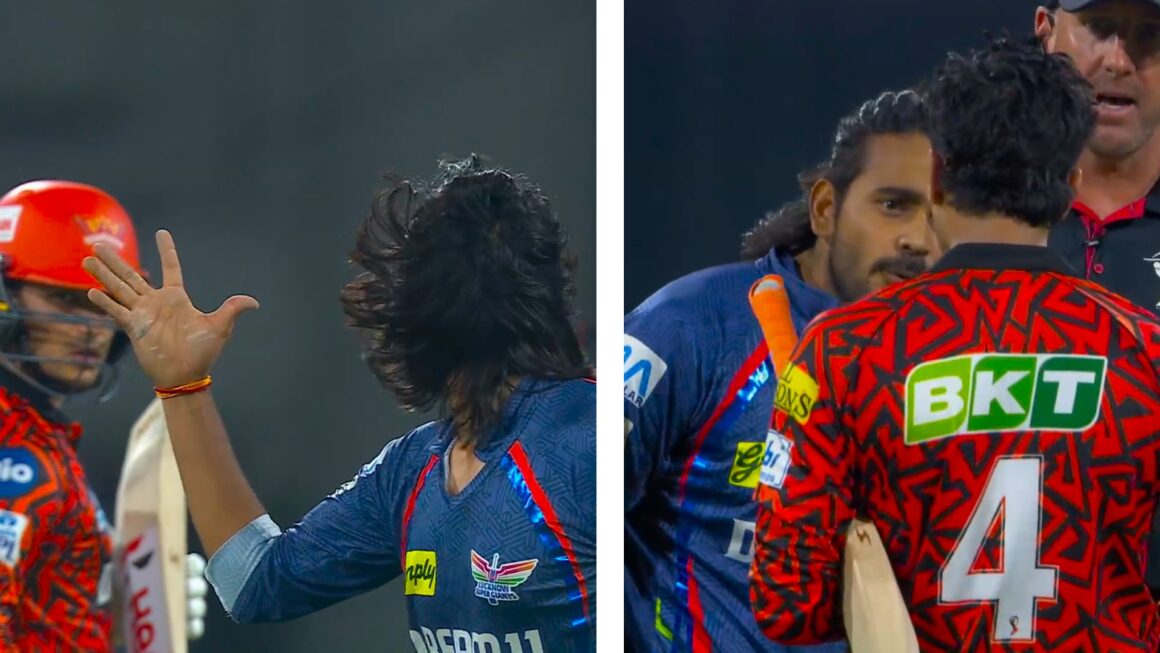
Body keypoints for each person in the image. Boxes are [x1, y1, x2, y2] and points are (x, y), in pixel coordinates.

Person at [82, 156, 597, 652]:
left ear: (408, 305)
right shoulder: (414, 470)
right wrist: (184, 386)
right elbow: (256, 582)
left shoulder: (591, 439)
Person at [749, 37, 1160, 650]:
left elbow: (788, 604)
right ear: (1072, 181)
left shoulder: (844, 350)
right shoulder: (1145, 349)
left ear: (936, 174)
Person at [623, 90, 937, 653]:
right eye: (894, 205)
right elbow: (569, 511)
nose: (919, 238)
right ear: (825, 209)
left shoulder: (949, 355)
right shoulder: (691, 327)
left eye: (939, 213)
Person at [0, 180, 207, 650]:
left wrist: (110, 615)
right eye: (65, 300)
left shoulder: (35, 432)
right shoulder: (13, 448)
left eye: (103, 303)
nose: (92, 328)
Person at [1036, 0, 1160, 592]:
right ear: (1045, 30)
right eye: (1100, 28)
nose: (1117, 61)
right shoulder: (970, 219)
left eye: (1147, 36)